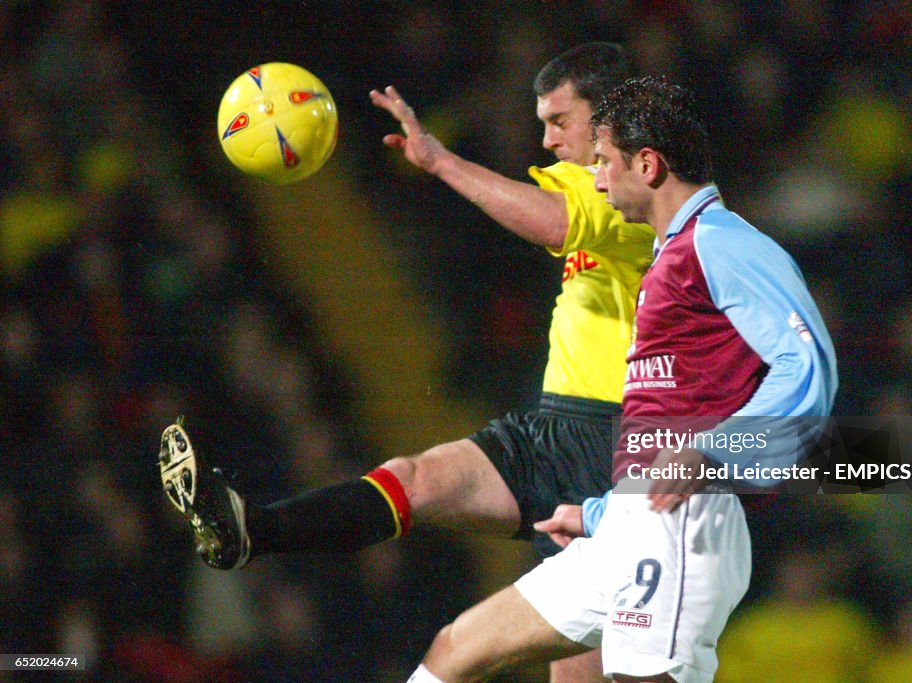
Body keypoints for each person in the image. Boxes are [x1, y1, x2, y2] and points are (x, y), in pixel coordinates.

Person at [158, 42, 654, 681]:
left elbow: (553, 223)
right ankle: (253, 529)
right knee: (414, 479)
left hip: (617, 449)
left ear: (610, 117)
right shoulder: (588, 183)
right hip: (552, 430)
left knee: (573, 673)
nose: (548, 139)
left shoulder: (644, 187)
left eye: (560, 121)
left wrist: (441, 162)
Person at [401, 75, 838, 682]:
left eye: (604, 162)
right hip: (629, 521)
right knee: (457, 648)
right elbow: (660, 425)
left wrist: (711, 451)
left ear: (648, 163)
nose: (597, 179)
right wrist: (601, 514)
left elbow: (808, 367)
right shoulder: (667, 255)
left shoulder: (723, 243)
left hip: (688, 525)